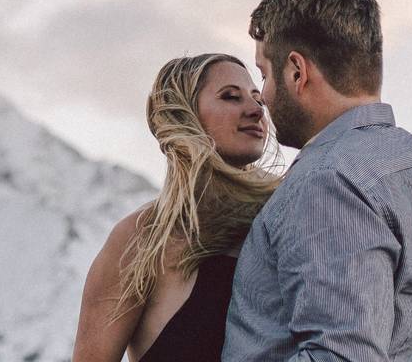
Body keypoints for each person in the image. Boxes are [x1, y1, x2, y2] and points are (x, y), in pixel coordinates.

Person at [223, 0, 412, 362]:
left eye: (265, 75)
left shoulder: (327, 179)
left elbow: (341, 355)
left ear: (297, 72)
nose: (263, 96)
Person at [72, 53, 281, 362]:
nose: (255, 110)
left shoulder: (285, 215)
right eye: (230, 97)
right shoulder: (141, 239)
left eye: (257, 100)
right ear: (184, 115)